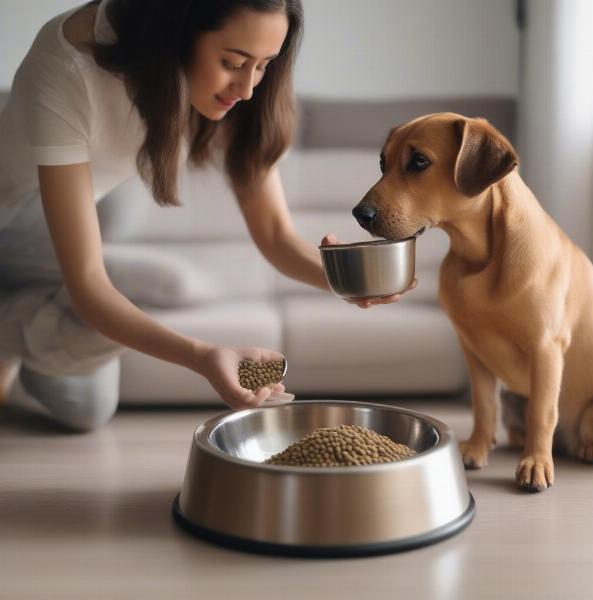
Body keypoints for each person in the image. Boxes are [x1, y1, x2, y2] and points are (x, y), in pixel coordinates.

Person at [0, 0, 414, 431]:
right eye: (233, 62)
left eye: (264, 66)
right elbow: (88, 286)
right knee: (114, 291)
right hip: (9, 218)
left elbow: (273, 234)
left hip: (53, 236)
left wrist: (348, 280)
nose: (248, 88)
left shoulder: (238, 94)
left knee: (87, 410)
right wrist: (201, 355)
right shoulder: (67, 66)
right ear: (177, 34)